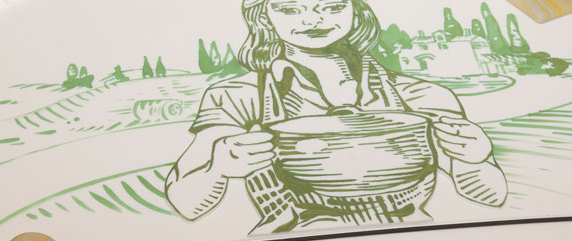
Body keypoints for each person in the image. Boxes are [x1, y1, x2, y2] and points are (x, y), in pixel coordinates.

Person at [165, 0, 507, 228]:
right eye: (290, 9)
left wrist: (476, 158)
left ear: (356, 11)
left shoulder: (420, 96)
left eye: (331, 6)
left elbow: (491, 196)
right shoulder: (238, 97)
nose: (313, 20)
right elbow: (187, 204)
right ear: (263, 15)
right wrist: (218, 168)